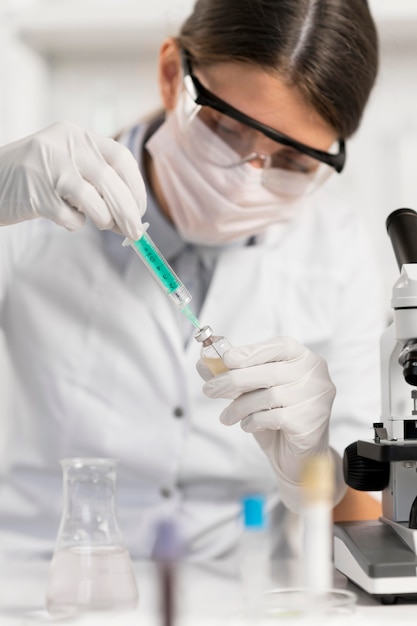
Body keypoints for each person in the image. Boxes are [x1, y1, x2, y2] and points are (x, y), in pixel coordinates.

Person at [0, 0, 382, 561]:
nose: (249, 181)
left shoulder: (341, 249)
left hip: (239, 591)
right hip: (40, 581)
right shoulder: (29, 206)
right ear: (171, 74)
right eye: (228, 130)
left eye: (295, 162)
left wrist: (315, 472)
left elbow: (365, 521)